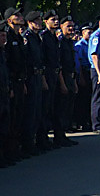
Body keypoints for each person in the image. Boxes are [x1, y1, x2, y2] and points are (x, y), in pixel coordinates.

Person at [3, 8, 28, 160]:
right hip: (11, 82)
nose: (20, 17)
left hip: (20, 81)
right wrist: (11, 85)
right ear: (9, 20)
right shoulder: (7, 37)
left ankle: (15, 148)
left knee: (19, 115)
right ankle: (8, 151)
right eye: (16, 16)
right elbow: (8, 64)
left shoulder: (18, 37)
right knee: (10, 118)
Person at [22, 11, 47, 154]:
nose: (40, 22)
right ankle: (27, 144)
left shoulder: (37, 37)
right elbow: (25, 61)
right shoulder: (27, 37)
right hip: (30, 77)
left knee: (38, 110)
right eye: (36, 20)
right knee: (30, 111)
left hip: (38, 76)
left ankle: (36, 141)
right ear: (30, 23)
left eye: (40, 20)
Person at [38, 10, 61, 150]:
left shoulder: (54, 38)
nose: (56, 21)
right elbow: (42, 60)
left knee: (54, 106)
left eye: (57, 19)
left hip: (55, 74)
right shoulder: (43, 37)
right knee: (44, 108)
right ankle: (42, 138)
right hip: (46, 75)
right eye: (53, 19)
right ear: (46, 21)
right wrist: (44, 79)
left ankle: (53, 137)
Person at [55, 16, 79, 145]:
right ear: (62, 27)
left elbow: (72, 65)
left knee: (68, 107)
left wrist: (74, 82)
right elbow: (59, 64)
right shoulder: (60, 42)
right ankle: (58, 135)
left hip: (70, 77)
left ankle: (63, 133)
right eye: (68, 26)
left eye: (72, 26)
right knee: (61, 107)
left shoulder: (70, 42)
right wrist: (63, 83)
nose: (71, 29)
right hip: (62, 77)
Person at [74, 24, 93, 131]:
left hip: (91, 72)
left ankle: (88, 120)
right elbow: (80, 63)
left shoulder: (91, 44)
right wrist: (81, 77)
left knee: (89, 98)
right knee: (83, 99)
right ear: (83, 33)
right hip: (84, 72)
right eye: (88, 32)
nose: (90, 34)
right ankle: (81, 122)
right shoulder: (79, 45)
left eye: (91, 32)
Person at [0, 20, 12, 166]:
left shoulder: (2, 52)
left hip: (4, 92)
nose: (4, 38)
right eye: (1, 36)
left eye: (4, 35)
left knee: (4, 125)